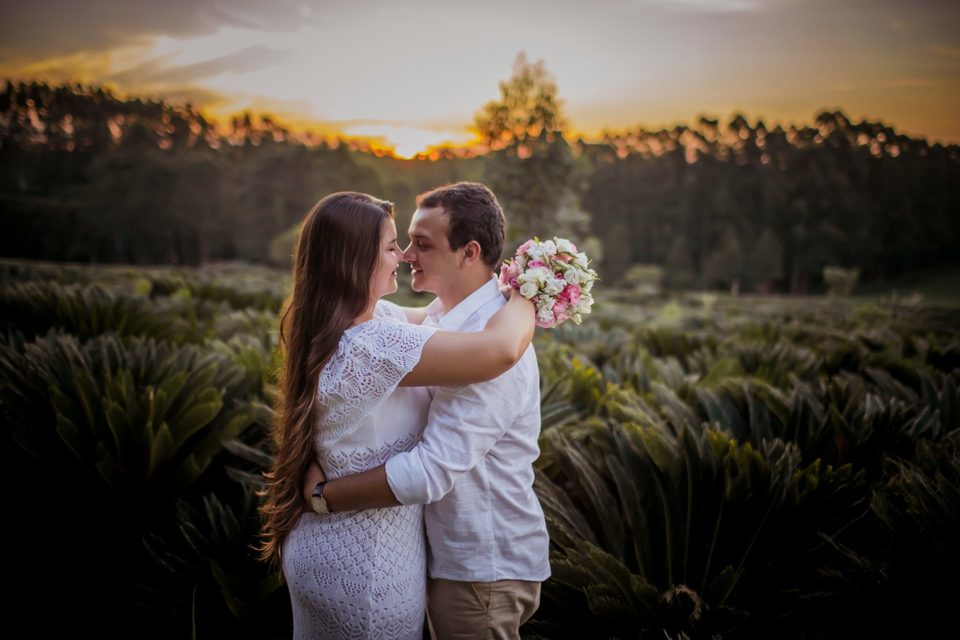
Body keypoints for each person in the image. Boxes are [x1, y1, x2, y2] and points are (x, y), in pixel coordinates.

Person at [253, 191, 536, 640]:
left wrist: (498, 290)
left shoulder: (340, 321)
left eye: (415, 244)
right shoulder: (375, 342)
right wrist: (535, 289)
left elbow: (435, 315)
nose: (403, 256)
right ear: (354, 260)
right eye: (392, 246)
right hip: (364, 569)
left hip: (329, 553)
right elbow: (499, 349)